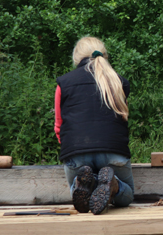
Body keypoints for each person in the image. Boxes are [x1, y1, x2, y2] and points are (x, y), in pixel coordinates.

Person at [54, 36, 134, 215]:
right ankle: (114, 185)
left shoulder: (64, 83)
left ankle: (83, 184)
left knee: (78, 190)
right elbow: (122, 121)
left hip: (76, 153)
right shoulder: (118, 81)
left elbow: (58, 126)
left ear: (77, 58)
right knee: (127, 196)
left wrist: (71, 147)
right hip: (113, 151)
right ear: (104, 56)